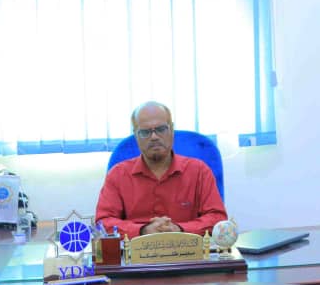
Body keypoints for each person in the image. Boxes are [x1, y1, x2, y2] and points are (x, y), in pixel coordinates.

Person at [96, 101, 227, 238]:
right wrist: (143, 230)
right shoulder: (118, 174)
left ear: (171, 130)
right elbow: (103, 222)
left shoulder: (199, 171)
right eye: (145, 132)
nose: (154, 137)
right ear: (136, 136)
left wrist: (179, 229)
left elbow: (217, 218)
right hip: (135, 249)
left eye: (161, 129)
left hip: (187, 248)